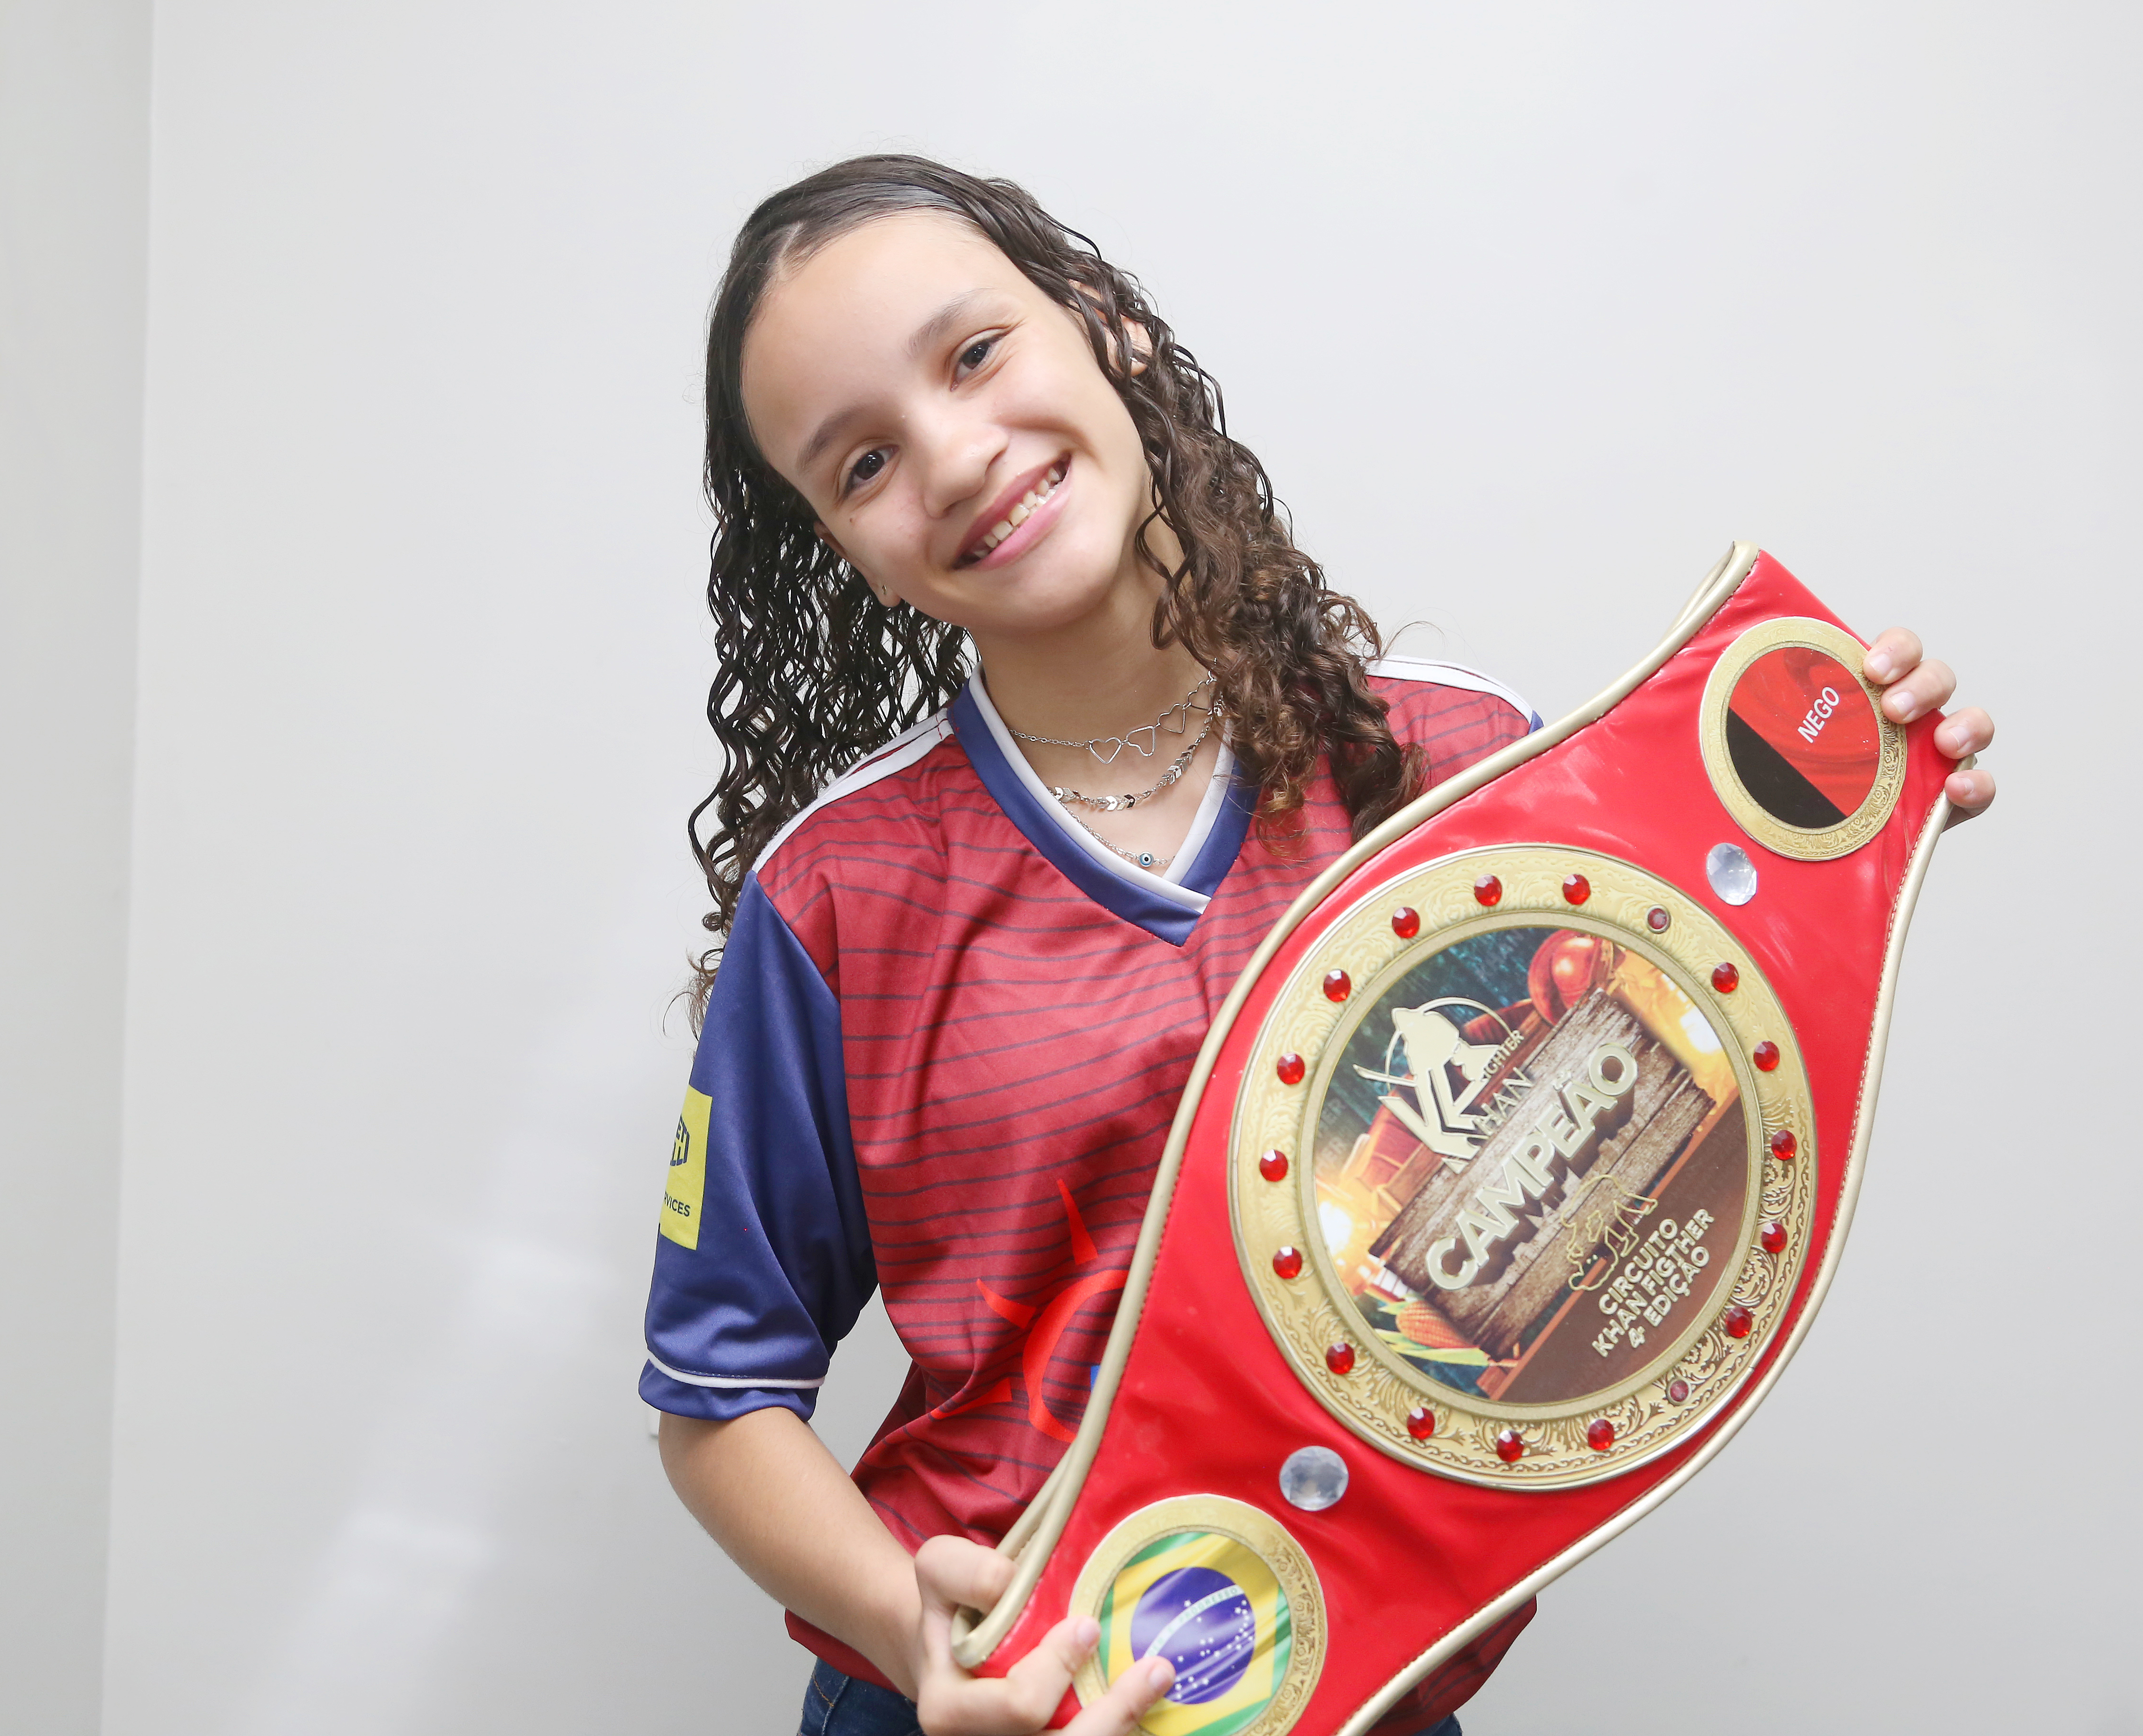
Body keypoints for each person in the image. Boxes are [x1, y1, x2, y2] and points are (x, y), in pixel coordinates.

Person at [642, 156, 1997, 1736]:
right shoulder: (838, 897)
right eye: (864, 462)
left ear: (1103, 322)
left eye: (976, 353)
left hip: (1369, 1695)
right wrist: (914, 1628)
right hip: (995, 1702)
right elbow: (715, 1400)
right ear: (847, 550)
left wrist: (1851, 795)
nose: (953, 457)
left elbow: (1690, 1095)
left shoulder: (1458, 774)